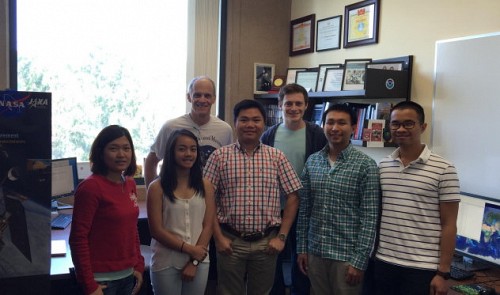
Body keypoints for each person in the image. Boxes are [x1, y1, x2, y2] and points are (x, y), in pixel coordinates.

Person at [203, 99, 303, 295]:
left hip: (266, 244)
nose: (250, 125)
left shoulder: (277, 157)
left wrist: (281, 237)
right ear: (235, 123)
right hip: (230, 242)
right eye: (244, 120)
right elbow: (207, 200)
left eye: (256, 120)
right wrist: (218, 238)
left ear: (264, 124)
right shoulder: (219, 157)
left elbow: (293, 196)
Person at [373, 101, 461, 295]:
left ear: (423, 127)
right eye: (395, 124)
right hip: (384, 262)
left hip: (422, 269)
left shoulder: (444, 169)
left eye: (408, 123)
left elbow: (449, 224)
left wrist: (443, 272)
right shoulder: (382, 167)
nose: (401, 129)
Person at [296, 104, 380, 295]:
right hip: (315, 253)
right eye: (330, 122)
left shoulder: (366, 166)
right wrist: (302, 248)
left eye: (342, 123)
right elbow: (305, 209)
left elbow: (369, 218)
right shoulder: (313, 161)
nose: (335, 128)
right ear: (323, 125)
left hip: (346, 259)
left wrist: (359, 262)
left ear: (353, 127)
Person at [261, 83, 327, 295]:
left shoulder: (317, 134)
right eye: (288, 103)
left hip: (306, 210)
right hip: (274, 209)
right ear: (280, 104)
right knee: (273, 260)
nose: (294, 108)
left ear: (306, 106)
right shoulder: (269, 136)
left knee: (302, 261)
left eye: (299, 103)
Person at [69, 125, 144, 295]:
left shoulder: (130, 183)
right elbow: (77, 239)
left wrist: (138, 264)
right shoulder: (90, 188)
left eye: (126, 148)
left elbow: (132, 229)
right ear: (100, 152)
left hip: (128, 274)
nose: (121, 154)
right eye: (113, 148)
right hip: (101, 280)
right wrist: (89, 284)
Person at [147, 129, 216, 295]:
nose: (188, 154)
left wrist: (193, 261)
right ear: (171, 152)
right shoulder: (156, 187)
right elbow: (156, 231)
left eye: (193, 149)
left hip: (198, 261)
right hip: (166, 261)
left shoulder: (205, 185)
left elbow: (208, 225)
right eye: (182, 149)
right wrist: (189, 249)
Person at [144, 76, 233, 188]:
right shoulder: (171, 127)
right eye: (197, 95)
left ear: (214, 99)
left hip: (210, 197)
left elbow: (227, 168)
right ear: (189, 97)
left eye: (207, 96)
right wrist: (153, 195)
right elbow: (151, 162)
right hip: (175, 198)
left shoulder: (225, 130)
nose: (202, 100)